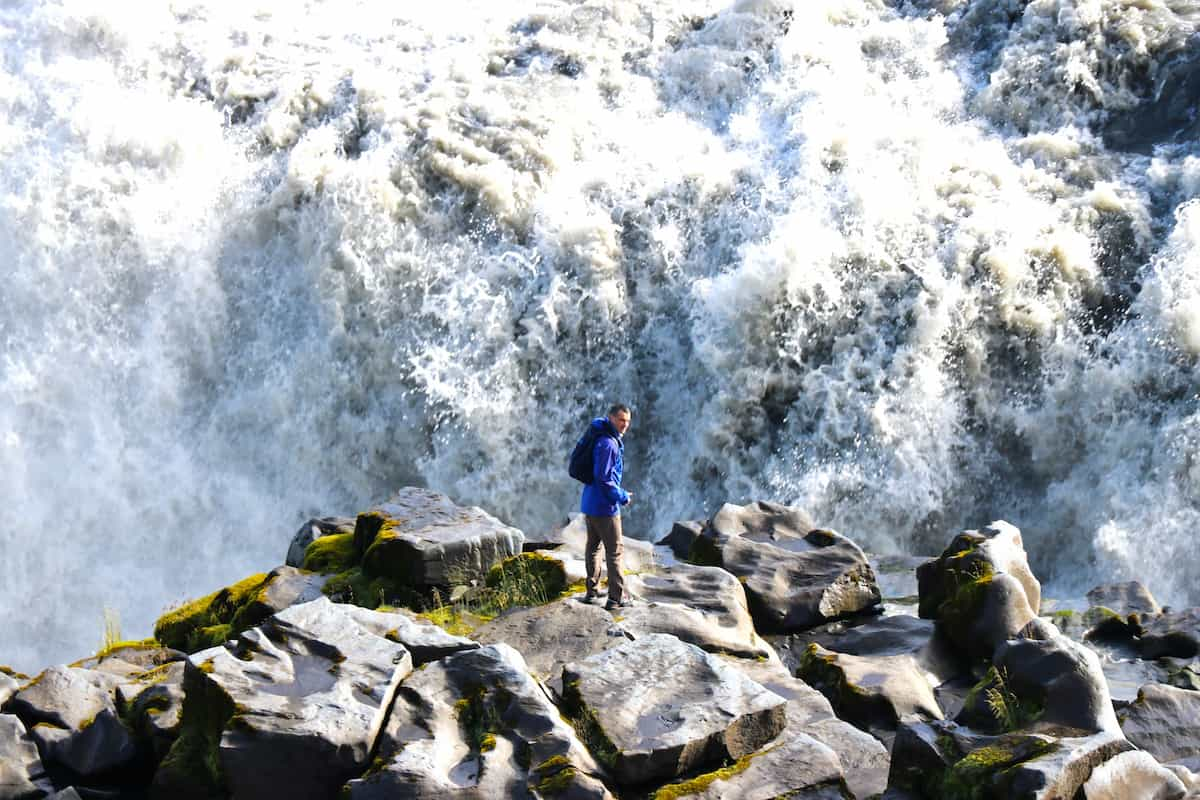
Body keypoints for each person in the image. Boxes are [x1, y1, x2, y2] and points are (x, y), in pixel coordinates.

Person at [581, 403, 633, 610]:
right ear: (611, 418)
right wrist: (622, 496)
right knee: (615, 552)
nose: (624, 425)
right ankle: (616, 598)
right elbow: (604, 480)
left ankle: (592, 591)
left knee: (593, 548)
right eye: (621, 420)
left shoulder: (599, 437)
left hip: (591, 502)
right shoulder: (609, 444)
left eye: (627, 421)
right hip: (605, 507)